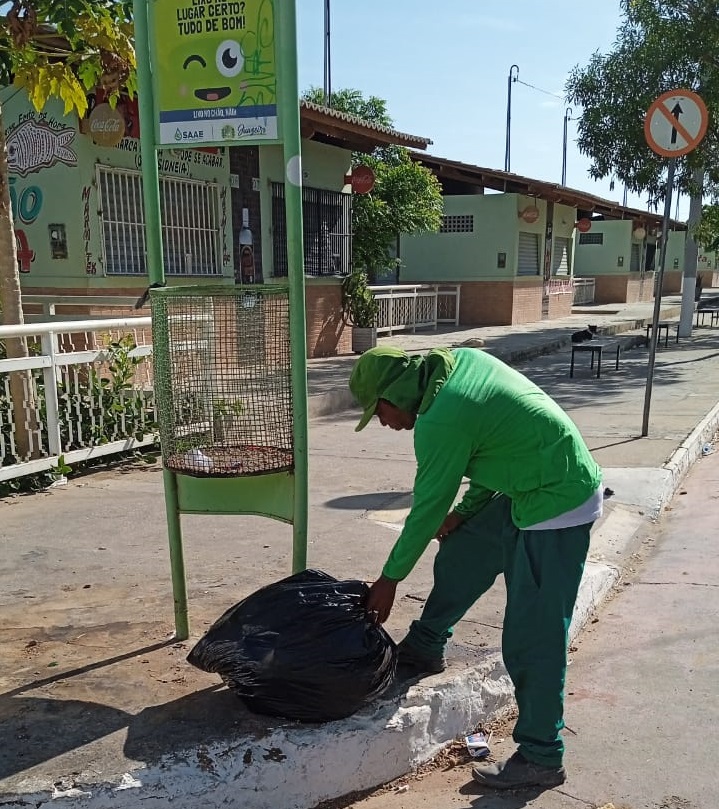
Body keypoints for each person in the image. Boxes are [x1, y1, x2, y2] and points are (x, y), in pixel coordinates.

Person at [349, 345, 602, 791]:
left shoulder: (440, 419)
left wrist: (389, 580)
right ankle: (426, 644)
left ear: (396, 392)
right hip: (530, 478)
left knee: (533, 635)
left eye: (380, 410)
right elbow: (498, 442)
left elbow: (426, 509)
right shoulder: (456, 365)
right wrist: (466, 513)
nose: (384, 422)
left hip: (558, 498)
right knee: (466, 548)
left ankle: (542, 755)